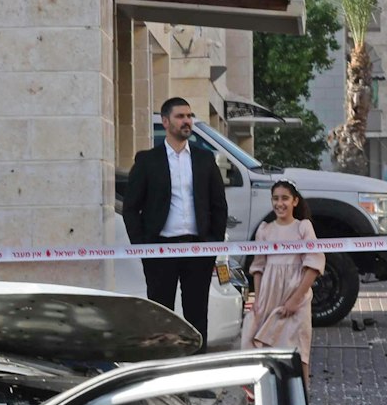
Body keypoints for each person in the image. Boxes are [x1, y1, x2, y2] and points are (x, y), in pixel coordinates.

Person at [123, 96, 229, 346]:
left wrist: (212, 243)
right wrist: (142, 246)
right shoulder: (148, 161)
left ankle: (196, 372)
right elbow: (131, 208)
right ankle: (162, 372)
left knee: (196, 315)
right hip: (160, 249)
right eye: (181, 116)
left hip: (197, 248)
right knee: (161, 316)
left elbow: (219, 206)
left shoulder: (205, 160)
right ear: (165, 121)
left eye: (189, 116)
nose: (187, 121)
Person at [242, 181, 326, 383]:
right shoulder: (265, 230)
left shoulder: (303, 227)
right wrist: (259, 300)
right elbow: (258, 267)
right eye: (276, 198)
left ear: (295, 201)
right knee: (267, 349)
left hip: (295, 293)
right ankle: (271, 397)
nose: (280, 203)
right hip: (270, 295)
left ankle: (302, 400)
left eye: (285, 198)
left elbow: (313, 263)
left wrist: (295, 300)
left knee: (299, 348)